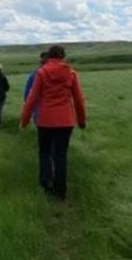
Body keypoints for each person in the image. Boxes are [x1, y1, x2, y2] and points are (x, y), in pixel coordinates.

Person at [20, 45, 87, 201]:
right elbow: (79, 100)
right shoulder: (71, 73)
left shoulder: (41, 73)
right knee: (61, 155)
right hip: (66, 121)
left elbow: (31, 99)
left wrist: (24, 121)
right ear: (63, 56)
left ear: (49, 56)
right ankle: (61, 190)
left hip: (45, 120)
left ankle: (46, 183)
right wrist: (82, 121)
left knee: (44, 152)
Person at [23, 51, 48, 125]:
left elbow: (27, 92)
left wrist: (27, 102)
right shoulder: (59, 74)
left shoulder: (35, 74)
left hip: (38, 107)